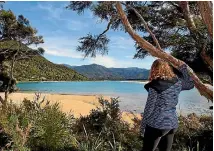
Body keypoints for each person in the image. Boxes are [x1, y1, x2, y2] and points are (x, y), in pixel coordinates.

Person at [141, 59, 194, 151]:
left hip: (156, 124)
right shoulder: (177, 82)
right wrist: (183, 68)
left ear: (154, 69)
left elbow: (149, 108)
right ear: (167, 69)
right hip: (172, 124)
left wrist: (142, 127)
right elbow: (190, 84)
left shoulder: (155, 86)